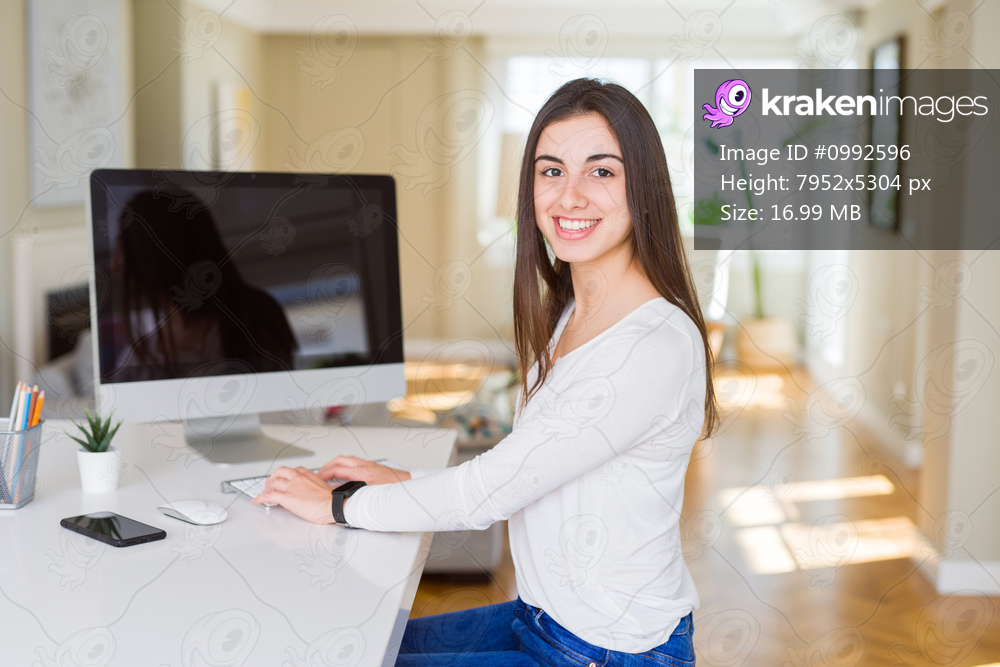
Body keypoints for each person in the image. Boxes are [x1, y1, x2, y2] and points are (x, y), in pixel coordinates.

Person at [253, 78, 720, 666]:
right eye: (551, 171)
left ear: (645, 192)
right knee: (352, 645)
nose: (569, 196)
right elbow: (529, 469)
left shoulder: (652, 346)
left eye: (601, 172)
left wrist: (338, 506)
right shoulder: (572, 310)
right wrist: (398, 481)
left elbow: (488, 495)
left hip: (605, 653)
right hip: (541, 620)